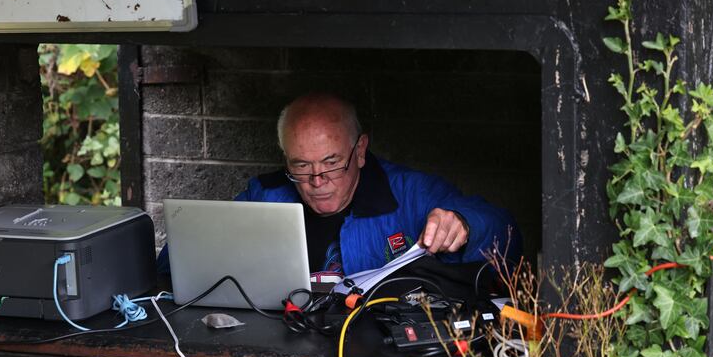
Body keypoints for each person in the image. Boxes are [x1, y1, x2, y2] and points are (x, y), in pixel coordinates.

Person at [157, 93, 521, 279]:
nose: (317, 182)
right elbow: (175, 264)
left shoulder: (411, 193)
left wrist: (465, 223)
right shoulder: (266, 195)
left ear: (360, 150)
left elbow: (507, 234)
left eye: (332, 163)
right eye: (301, 166)